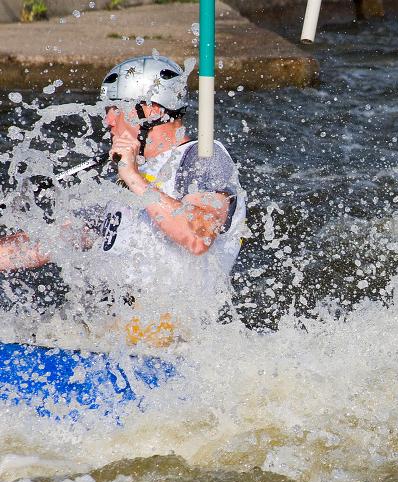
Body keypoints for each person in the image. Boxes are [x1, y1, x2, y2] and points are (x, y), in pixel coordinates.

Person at [0, 55, 247, 347]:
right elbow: (49, 241)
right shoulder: (124, 180)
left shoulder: (203, 157)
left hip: (179, 344)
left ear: (151, 111)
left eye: (117, 108)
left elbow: (197, 235)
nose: (108, 120)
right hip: (117, 335)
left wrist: (132, 176)